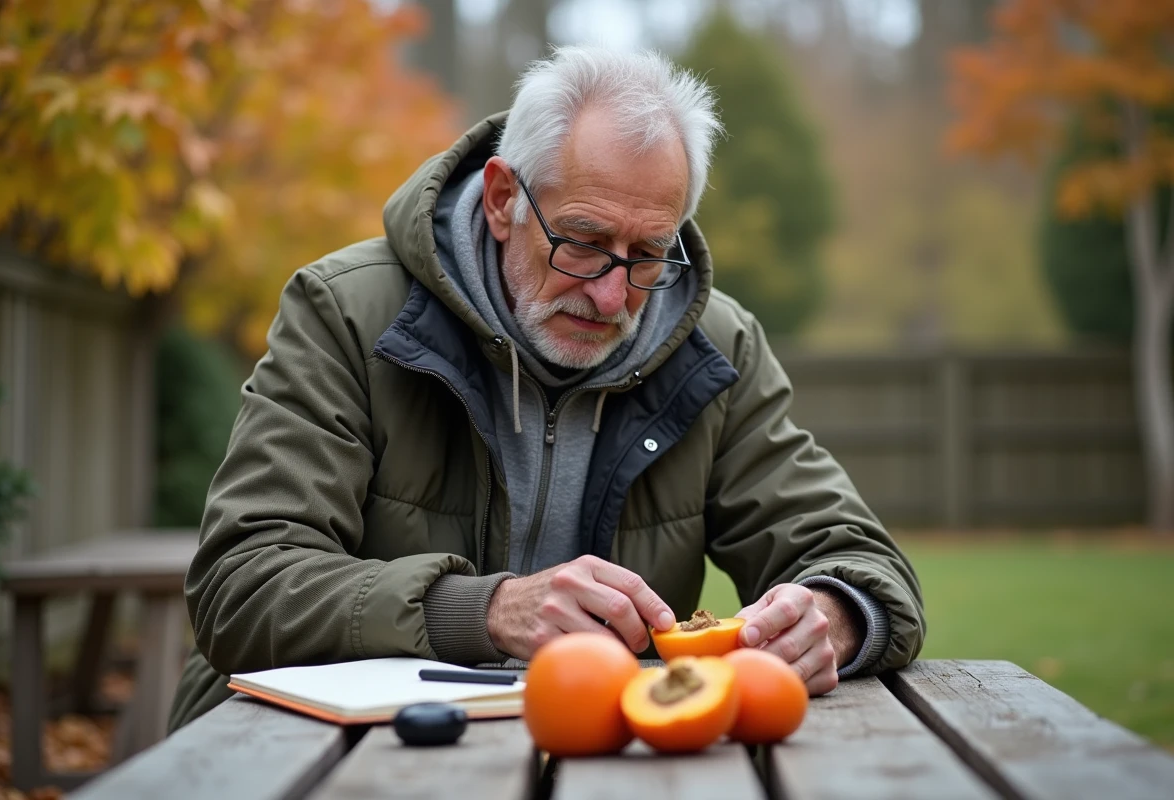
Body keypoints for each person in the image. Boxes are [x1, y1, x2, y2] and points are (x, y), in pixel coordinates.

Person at [168, 46, 924, 731]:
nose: (610, 296)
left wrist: (835, 614)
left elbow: (865, 563)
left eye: (648, 255)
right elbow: (242, 583)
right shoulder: (347, 314)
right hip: (303, 752)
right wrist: (487, 611)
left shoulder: (715, 347)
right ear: (502, 200)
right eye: (584, 244)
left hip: (599, 753)